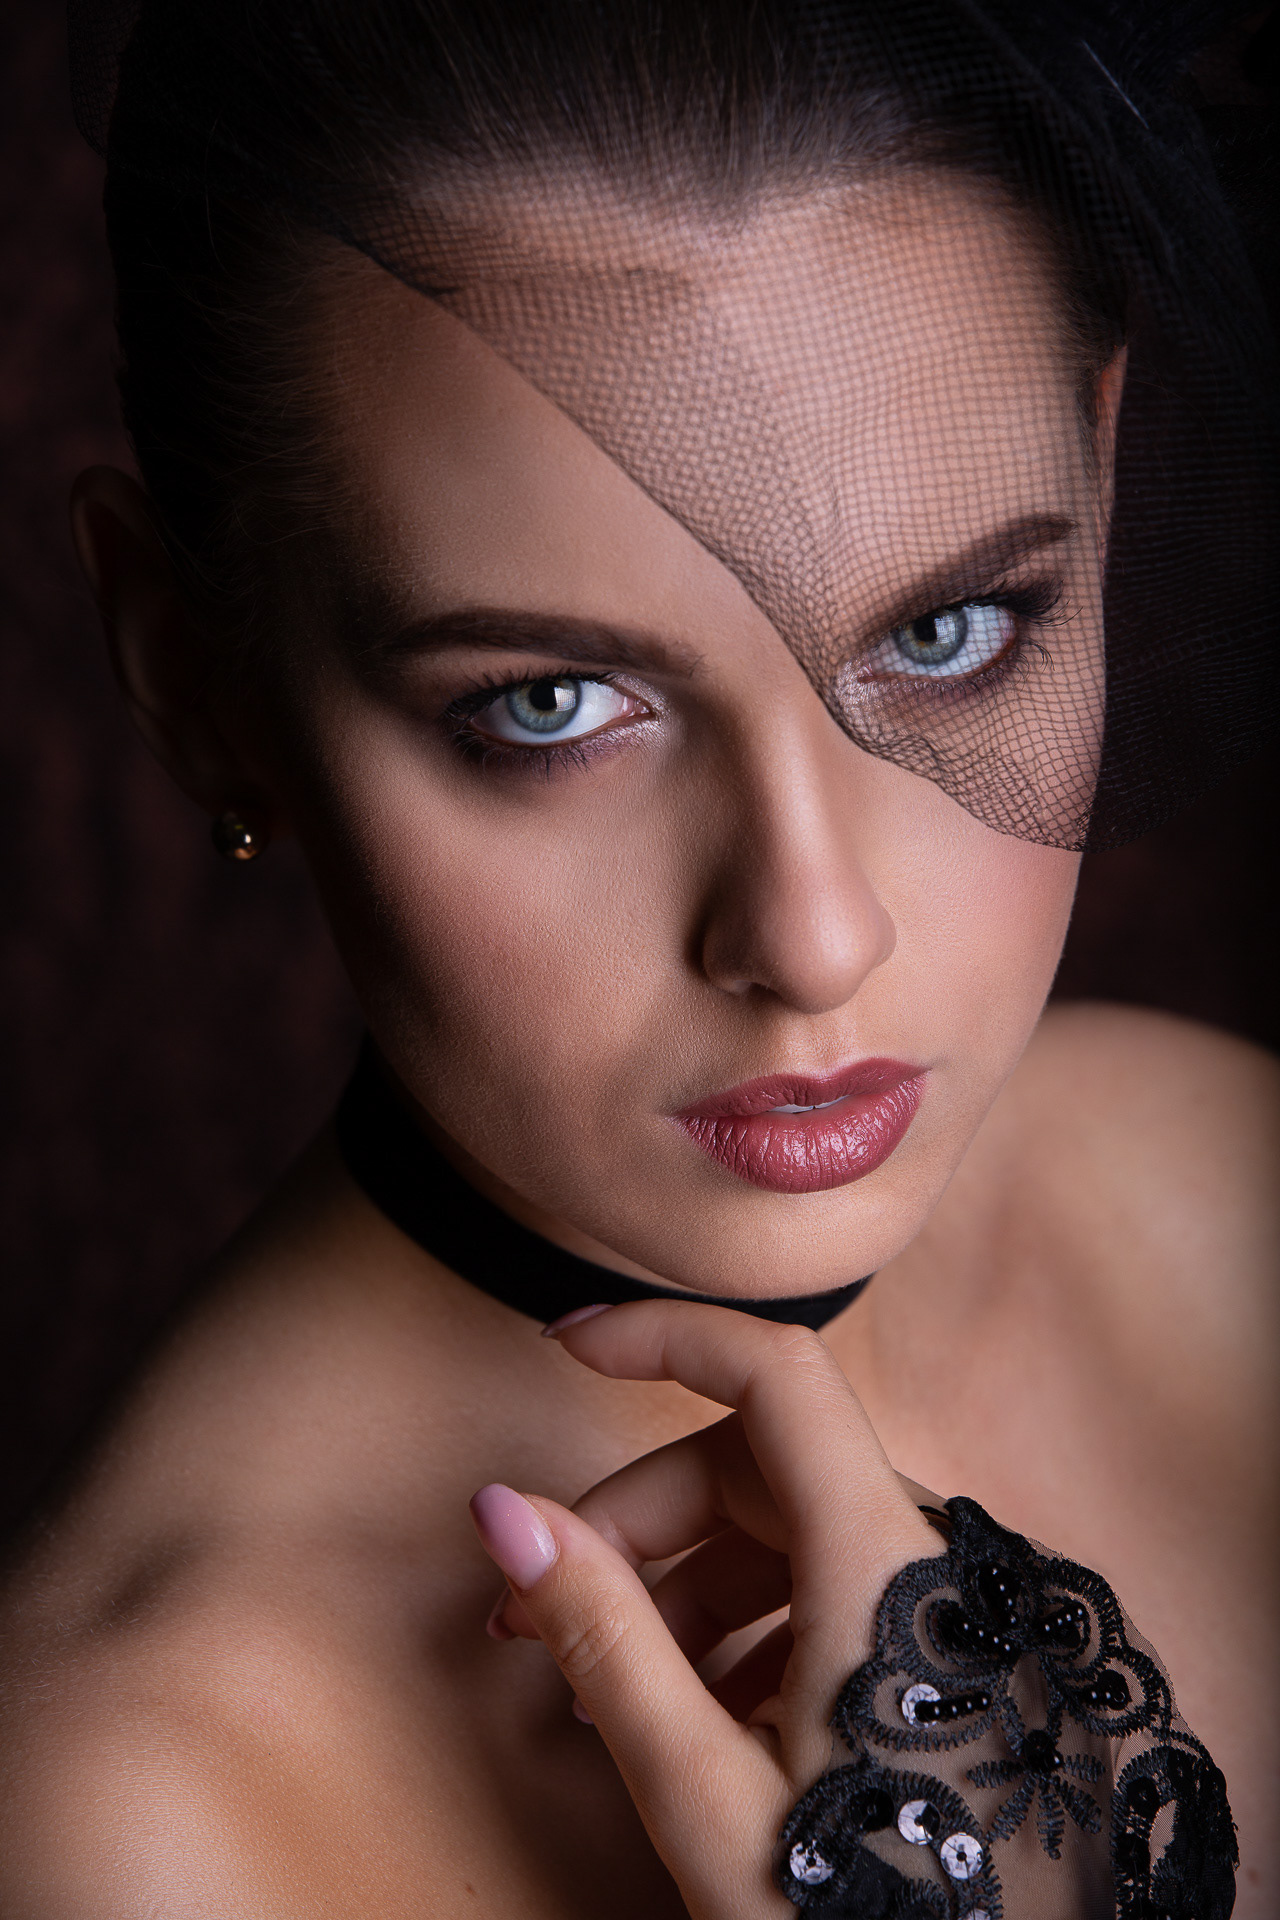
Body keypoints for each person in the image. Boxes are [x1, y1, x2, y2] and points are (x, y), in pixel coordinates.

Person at [0, 2, 1275, 1913]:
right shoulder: (124, 1822)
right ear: (196, 676)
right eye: (551, 703)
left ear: (1103, 471)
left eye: (948, 633)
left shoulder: (1232, 1201)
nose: (813, 933)